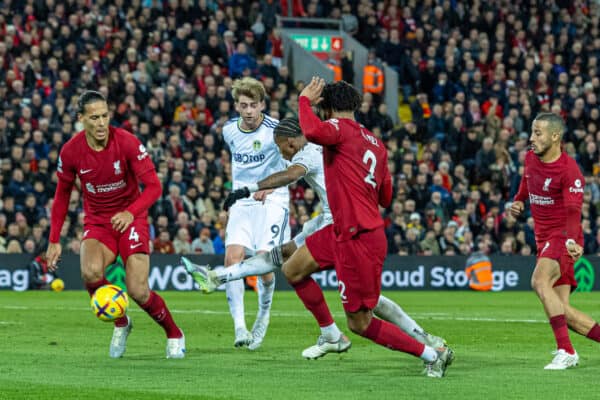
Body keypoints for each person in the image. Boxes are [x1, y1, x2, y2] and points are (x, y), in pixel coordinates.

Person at [183, 117, 450, 361]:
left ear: (290, 142)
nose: (282, 154)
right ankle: (217, 278)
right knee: (287, 258)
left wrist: (248, 188)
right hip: (328, 221)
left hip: (341, 227)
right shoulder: (329, 143)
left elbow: (290, 175)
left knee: (361, 308)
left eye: (281, 148)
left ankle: (421, 346)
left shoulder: (309, 150)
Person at [45, 90, 185, 359]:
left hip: (131, 218)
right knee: (90, 273)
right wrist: (54, 240)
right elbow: (62, 195)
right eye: (94, 117)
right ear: (81, 119)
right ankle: (121, 321)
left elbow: (154, 187)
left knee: (138, 290)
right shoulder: (71, 151)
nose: (101, 123)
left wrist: (131, 213)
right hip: (98, 221)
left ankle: (174, 333)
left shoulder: (127, 142)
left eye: (105, 116)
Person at [510, 112, 600, 370]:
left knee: (539, 282)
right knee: (563, 311)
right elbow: (527, 183)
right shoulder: (530, 157)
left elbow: (573, 212)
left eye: (538, 133)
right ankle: (565, 345)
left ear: (555, 136)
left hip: (563, 236)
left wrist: (572, 240)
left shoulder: (570, 171)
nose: (532, 138)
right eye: (532, 131)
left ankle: (566, 350)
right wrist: (518, 200)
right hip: (543, 238)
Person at [218, 77, 290, 350]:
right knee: (232, 259)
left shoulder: (277, 130)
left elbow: (293, 165)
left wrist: (269, 189)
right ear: (236, 105)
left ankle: (264, 312)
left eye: (253, 105)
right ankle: (240, 327)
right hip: (242, 200)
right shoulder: (229, 131)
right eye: (243, 105)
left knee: (265, 265)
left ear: (262, 104)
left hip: (271, 199)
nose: (248, 111)